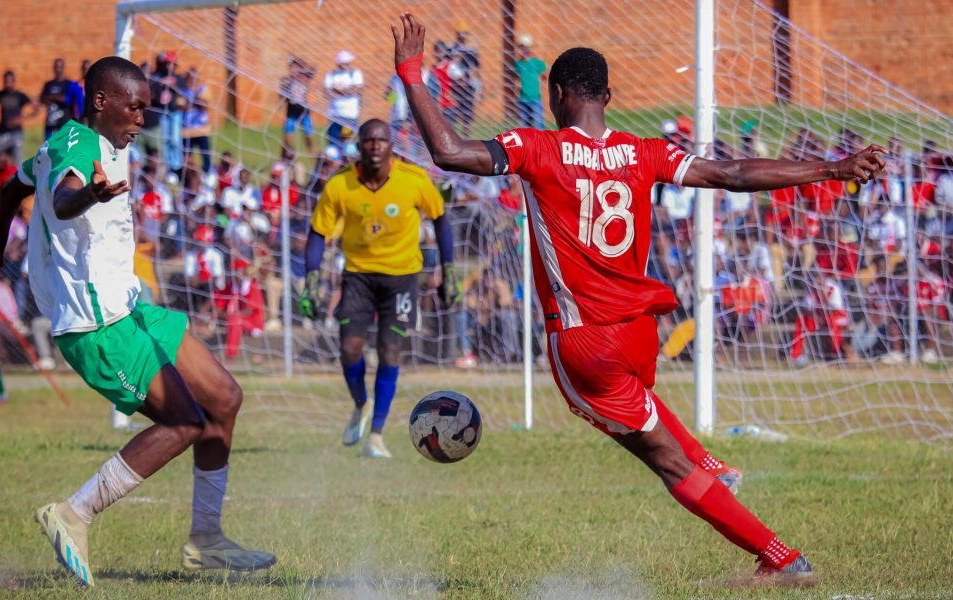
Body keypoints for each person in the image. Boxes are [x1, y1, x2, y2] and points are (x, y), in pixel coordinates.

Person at [391, 13, 886, 582]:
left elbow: (449, 153)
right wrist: (834, 166)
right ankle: (711, 466)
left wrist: (411, 73)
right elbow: (731, 173)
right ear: (608, 95)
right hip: (638, 335)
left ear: (555, 95)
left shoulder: (534, 147)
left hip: (584, 340)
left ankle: (779, 559)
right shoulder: (645, 151)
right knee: (649, 419)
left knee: (665, 463)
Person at [0, 56, 275, 587]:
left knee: (223, 398)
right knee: (183, 423)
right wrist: (88, 194)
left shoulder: (74, 143)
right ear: (102, 102)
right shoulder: (81, 148)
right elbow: (63, 198)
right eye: (134, 108)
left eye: (146, 110)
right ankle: (72, 513)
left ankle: (206, 540)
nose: (142, 119)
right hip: (97, 325)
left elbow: (11, 190)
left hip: (128, 306)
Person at [298, 118, 460, 459]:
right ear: (359, 147)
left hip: (402, 277)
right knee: (350, 349)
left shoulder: (413, 180)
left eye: (381, 140)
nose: (374, 146)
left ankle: (376, 435)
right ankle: (361, 403)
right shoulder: (339, 185)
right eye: (368, 141)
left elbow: (441, 217)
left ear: (391, 146)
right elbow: (317, 233)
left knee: (390, 350)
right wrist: (310, 279)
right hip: (357, 276)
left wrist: (448, 269)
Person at [0, 70, 37, 164]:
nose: (7, 84)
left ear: (13, 82)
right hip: (3, 133)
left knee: (17, 162)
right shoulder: (0, 95)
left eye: (9, 81)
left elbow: (36, 108)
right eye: (5, 81)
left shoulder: (19, 95)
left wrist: (21, 119)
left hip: (16, 133)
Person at [323, 50, 364, 148]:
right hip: (334, 115)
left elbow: (356, 90)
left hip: (350, 116)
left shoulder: (355, 73)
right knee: (332, 144)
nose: (344, 65)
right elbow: (326, 93)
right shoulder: (331, 74)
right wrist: (346, 90)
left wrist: (337, 90)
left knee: (347, 143)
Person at [280, 57, 315, 154]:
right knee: (287, 139)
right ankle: (284, 159)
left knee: (309, 137)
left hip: (304, 112)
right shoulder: (286, 80)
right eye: (292, 67)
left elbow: (312, 70)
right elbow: (282, 94)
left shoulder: (304, 79)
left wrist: (300, 63)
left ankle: (315, 158)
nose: (294, 70)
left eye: (297, 67)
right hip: (291, 112)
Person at [181, 68, 212, 174]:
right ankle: (188, 174)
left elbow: (205, 105)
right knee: (186, 155)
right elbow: (181, 106)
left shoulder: (203, 89)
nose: (192, 80)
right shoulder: (182, 91)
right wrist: (196, 102)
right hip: (186, 130)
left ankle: (207, 173)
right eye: (190, 78)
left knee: (205, 154)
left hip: (202, 129)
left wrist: (192, 101)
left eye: (194, 78)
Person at [514, 34, 546, 130]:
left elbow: (544, 75)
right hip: (522, 99)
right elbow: (517, 79)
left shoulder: (537, 62)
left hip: (535, 98)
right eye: (521, 47)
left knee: (538, 125)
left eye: (526, 47)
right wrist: (517, 89)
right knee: (524, 127)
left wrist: (539, 84)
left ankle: (541, 144)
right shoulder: (518, 64)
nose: (524, 50)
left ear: (530, 48)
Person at [40, 58, 74, 139]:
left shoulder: (68, 84)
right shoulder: (48, 84)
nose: (58, 69)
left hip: (64, 124)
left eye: (60, 67)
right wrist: (57, 97)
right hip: (50, 124)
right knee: (48, 149)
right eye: (56, 67)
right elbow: (42, 99)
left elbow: (67, 100)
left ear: (63, 68)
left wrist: (52, 96)